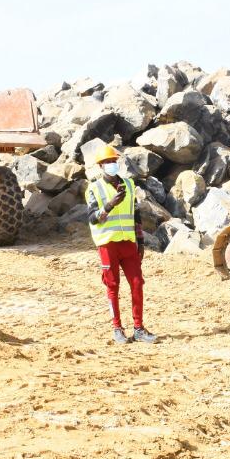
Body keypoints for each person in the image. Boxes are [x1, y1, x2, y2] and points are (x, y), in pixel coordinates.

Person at [85, 144, 157, 345]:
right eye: (107, 162)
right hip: (107, 244)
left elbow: (136, 214)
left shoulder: (129, 185)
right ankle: (117, 328)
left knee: (137, 284)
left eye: (113, 161)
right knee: (112, 286)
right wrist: (109, 205)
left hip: (128, 243)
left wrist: (140, 241)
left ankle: (139, 328)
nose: (111, 165)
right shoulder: (94, 188)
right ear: (100, 166)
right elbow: (92, 218)